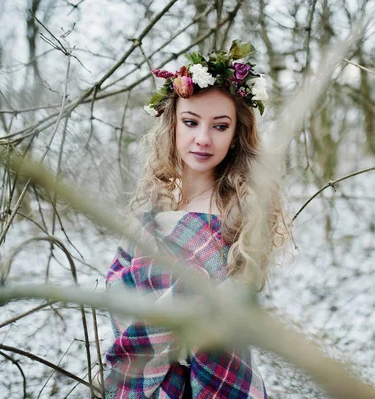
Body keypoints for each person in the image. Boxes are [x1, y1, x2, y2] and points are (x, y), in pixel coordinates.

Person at [104, 40, 288, 399]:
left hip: (212, 378)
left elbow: (227, 317)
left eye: (220, 126)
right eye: (191, 122)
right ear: (173, 125)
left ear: (236, 135)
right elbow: (118, 289)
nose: (203, 139)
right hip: (147, 378)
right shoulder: (150, 208)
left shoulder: (239, 214)